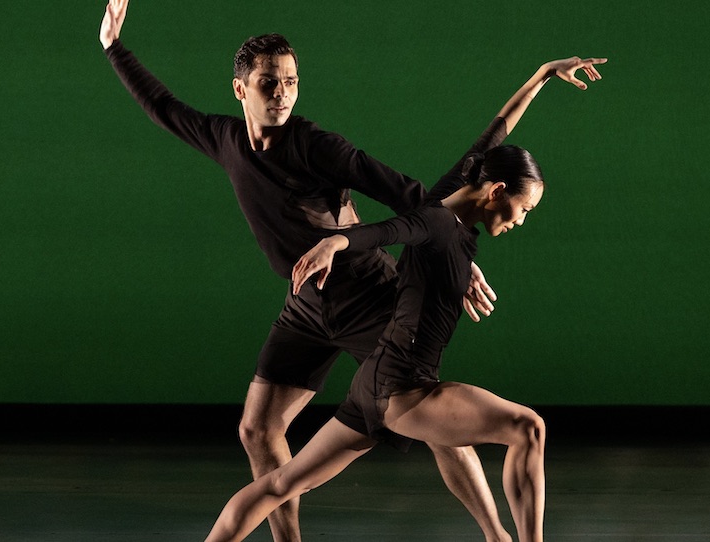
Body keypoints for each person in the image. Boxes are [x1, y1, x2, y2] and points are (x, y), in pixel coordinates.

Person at [98, 1, 516, 540]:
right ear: (240, 90)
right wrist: (113, 45)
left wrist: (452, 251)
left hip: (370, 296)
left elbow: (408, 194)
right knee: (258, 427)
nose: (282, 94)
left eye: (291, 83)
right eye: (269, 83)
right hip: (306, 305)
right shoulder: (225, 139)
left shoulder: (317, 146)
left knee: (426, 418)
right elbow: (163, 106)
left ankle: (496, 535)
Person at [202, 55, 606, 542]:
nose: (522, 219)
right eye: (524, 208)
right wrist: (337, 241)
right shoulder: (435, 221)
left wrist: (541, 76)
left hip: (374, 387)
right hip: (404, 390)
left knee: (280, 485)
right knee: (528, 428)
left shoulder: (448, 204)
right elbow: (388, 229)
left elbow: (491, 136)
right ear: (497, 191)